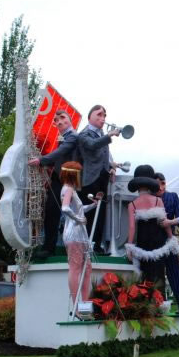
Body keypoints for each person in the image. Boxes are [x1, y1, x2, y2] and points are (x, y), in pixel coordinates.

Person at [28, 110, 79, 259]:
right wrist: (43, 161)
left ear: (70, 120)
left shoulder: (73, 137)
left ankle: (63, 247)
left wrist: (41, 160)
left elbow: (61, 152)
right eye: (56, 120)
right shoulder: (63, 138)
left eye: (63, 118)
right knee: (51, 211)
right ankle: (49, 247)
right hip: (59, 179)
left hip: (70, 179)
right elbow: (58, 157)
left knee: (69, 213)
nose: (59, 121)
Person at [125, 165, 179, 291]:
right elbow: (164, 221)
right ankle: (159, 303)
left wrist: (129, 247)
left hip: (143, 241)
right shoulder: (157, 201)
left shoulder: (132, 204)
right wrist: (172, 239)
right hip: (158, 241)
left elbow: (132, 227)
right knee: (158, 273)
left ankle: (146, 303)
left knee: (145, 274)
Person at [78, 105, 119, 255]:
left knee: (100, 212)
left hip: (102, 177)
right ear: (90, 117)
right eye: (99, 114)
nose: (103, 118)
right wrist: (110, 135)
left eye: (104, 115)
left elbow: (105, 157)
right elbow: (92, 145)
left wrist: (112, 168)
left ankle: (96, 246)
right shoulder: (83, 134)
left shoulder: (101, 134)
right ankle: (84, 246)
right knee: (88, 212)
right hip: (89, 179)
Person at [58, 161, 98, 308]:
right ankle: (77, 305)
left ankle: (85, 303)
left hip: (79, 233)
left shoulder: (70, 190)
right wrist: (78, 219)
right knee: (76, 267)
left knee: (87, 268)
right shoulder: (68, 189)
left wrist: (93, 205)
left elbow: (78, 210)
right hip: (74, 232)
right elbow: (65, 208)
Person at [155, 172, 179, 314]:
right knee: (155, 275)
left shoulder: (172, 197)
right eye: (158, 184)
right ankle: (158, 306)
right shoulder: (149, 199)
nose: (161, 187)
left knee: (174, 273)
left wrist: (170, 221)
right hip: (153, 242)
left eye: (162, 183)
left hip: (169, 241)